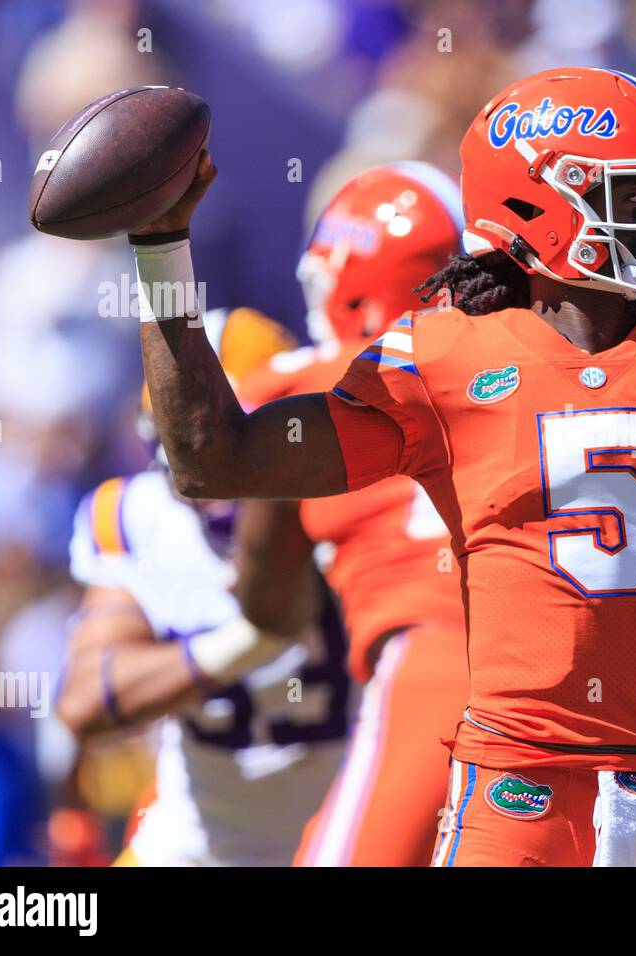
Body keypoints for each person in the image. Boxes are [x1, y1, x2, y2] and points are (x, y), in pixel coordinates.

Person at [119, 66, 636, 866]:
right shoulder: (440, 358)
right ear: (539, 201)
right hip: (522, 801)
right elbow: (212, 456)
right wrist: (161, 245)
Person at [235, 162, 469, 866]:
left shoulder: (305, 384)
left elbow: (202, 455)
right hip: (560, 660)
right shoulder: (503, 361)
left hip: (433, 659)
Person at [57, 308, 351, 866]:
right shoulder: (135, 517)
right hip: (193, 847)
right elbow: (84, 700)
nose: (211, 466)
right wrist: (246, 641)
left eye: (236, 438)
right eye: (186, 440)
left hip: (346, 840)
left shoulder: (346, 505)